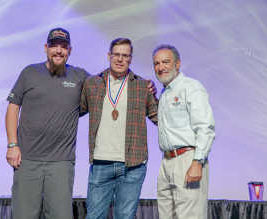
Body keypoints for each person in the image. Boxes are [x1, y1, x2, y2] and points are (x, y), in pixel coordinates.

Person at [5, 28, 91, 219]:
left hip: (61, 162)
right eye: (54, 46)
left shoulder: (80, 76)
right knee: (24, 215)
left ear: (70, 50)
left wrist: (143, 82)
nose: (59, 51)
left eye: (64, 47)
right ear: (46, 48)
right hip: (26, 160)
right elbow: (13, 106)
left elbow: (107, 83)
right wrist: (12, 145)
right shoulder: (30, 72)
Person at [80, 38, 159, 219]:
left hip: (133, 166)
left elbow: (159, 118)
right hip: (101, 162)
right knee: (94, 217)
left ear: (131, 59)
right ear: (109, 56)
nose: (120, 59)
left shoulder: (142, 86)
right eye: (116, 54)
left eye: (125, 56)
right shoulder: (92, 83)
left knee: (125, 216)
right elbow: (77, 110)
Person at [152, 44, 216, 219]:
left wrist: (197, 162)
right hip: (166, 161)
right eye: (156, 63)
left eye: (166, 62)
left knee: (190, 215)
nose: (160, 67)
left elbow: (205, 128)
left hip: (188, 159)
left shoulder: (191, 87)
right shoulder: (164, 93)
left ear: (177, 63)